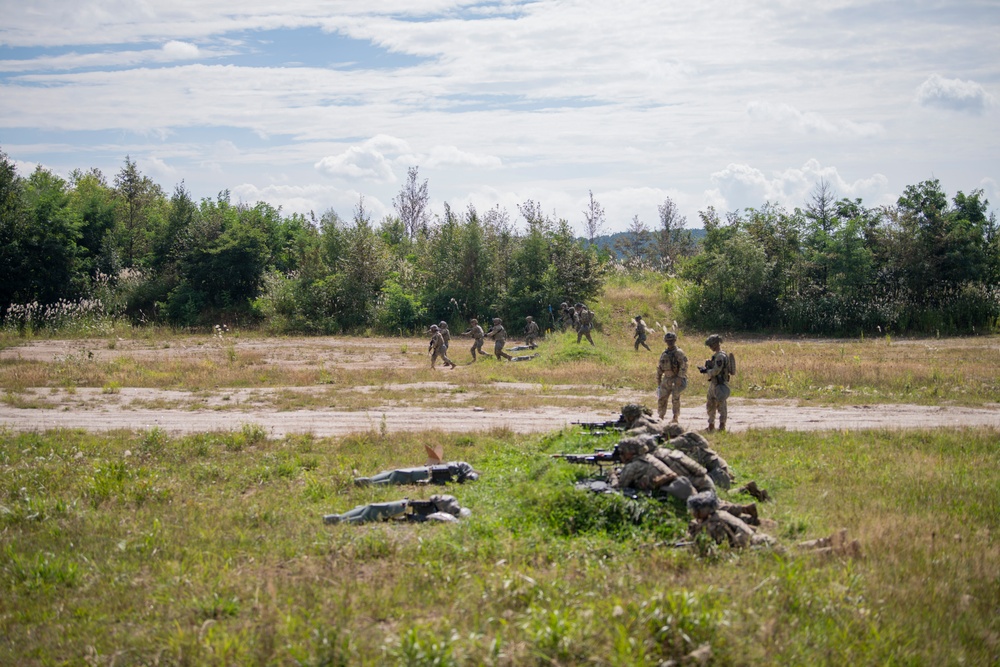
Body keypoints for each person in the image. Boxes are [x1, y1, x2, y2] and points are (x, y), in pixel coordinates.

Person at [687, 491, 773, 548]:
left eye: (696, 510)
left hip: (754, 545)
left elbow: (715, 542)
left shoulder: (715, 522)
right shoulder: (719, 514)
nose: (693, 512)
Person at [323, 494, 471, 525]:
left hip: (405, 514)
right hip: (406, 510)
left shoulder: (445, 516)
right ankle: (340, 519)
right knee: (372, 509)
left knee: (372, 510)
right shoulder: (445, 510)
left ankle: (339, 520)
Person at [354, 461, 479, 485]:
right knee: (397, 475)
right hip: (425, 472)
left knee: (396, 474)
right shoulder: (462, 467)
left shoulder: (461, 467)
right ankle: (372, 481)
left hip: (425, 472)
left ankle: (371, 481)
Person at [698, 334, 730, 432]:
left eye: (711, 345)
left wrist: (707, 371)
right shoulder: (716, 356)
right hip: (714, 383)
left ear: (715, 344)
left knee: (721, 405)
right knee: (710, 405)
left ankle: (722, 426)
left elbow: (716, 370)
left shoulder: (720, 356)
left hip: (720, 384)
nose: (710, 347)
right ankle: (711, 425)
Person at [656, 332, 688, 423]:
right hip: (666, 378)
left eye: (671, 341)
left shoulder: (679, 353)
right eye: (668, 341)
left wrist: (680, 377)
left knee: (675, 398)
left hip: (676, 378)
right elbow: (660, 366)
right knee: (662, 398)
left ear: (675, 340)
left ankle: (675, 417)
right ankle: (661, 416)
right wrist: (658, 379)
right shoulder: (664, 353)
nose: (670, 342)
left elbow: (684, 366)